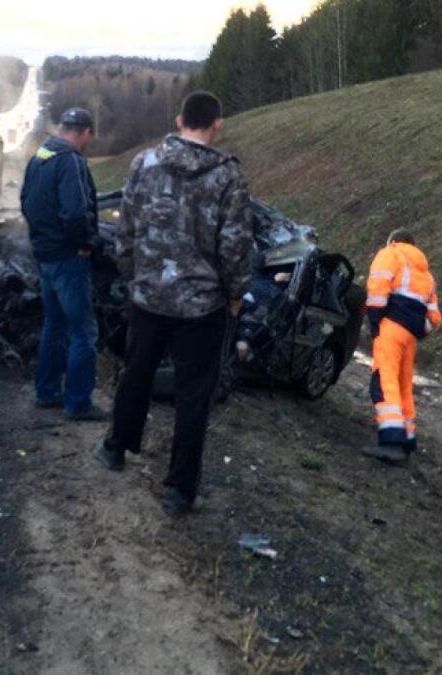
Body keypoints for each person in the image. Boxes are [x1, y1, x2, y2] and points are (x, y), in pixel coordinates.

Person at [92, 91, 255, 516]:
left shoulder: (143, 163)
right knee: (193, 395)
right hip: (201, 306)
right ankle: (179, 489)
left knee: (136, 374)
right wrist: (236, 294)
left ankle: (115, 447)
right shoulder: (228, 178)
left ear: (179, 118)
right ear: (217, 124)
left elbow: (125, 229)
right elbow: (235, 245)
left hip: (149, 296)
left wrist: (134, 278)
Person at [20, 107, 106, 422]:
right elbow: (74, 212)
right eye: (88, 137)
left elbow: (25, 201)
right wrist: (85, 244)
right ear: (83, 132)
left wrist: (42, 240)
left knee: (53, 325)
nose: (87, 143)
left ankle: (47, 392)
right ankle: (78, 403)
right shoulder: (69, 160)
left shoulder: (39, 157)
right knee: (84, 331)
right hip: (68, 259)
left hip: (44, 255)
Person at [362, 229, 442, 463]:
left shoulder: (392, 254)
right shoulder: (427, 276)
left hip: (390, 327)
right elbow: (434, 317)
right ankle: (407, 438)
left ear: (393, 241)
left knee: (384, 383)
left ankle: (391, 442)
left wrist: (375, 321)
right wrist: (417, 330)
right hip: (410, 336)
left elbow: (377, 287)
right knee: (403, 385)